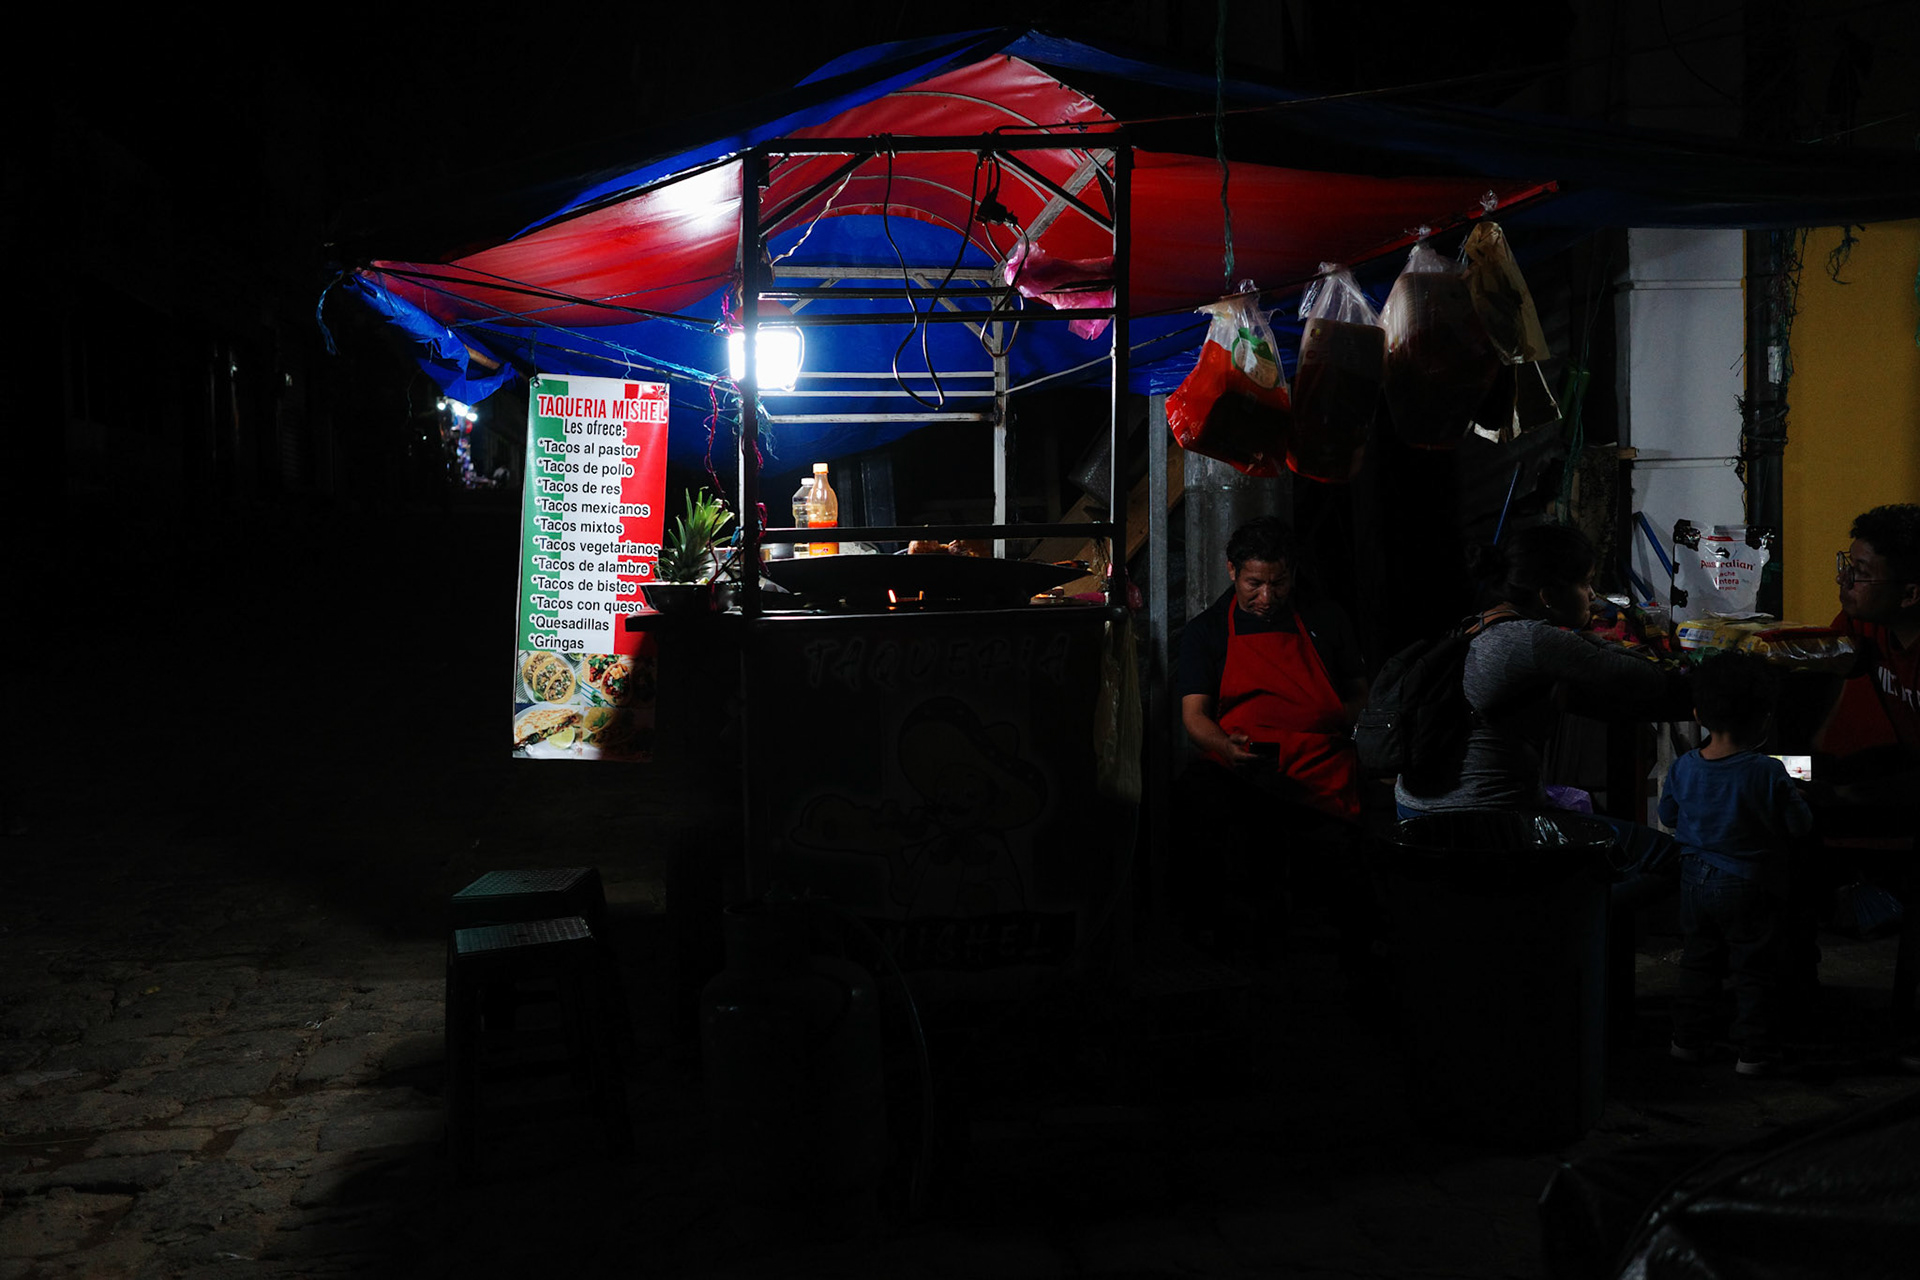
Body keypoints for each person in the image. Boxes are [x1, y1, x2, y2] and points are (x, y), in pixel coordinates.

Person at [1394, 522, 1679, 821]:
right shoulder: (1534, 640)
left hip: (1413, 808)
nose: (1593, 595)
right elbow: (1649, 677)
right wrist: (1589, 639)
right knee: (1654, 847)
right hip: (1480, 819)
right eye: (1585, 584)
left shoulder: (1476, 623)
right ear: (1548, 596)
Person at [1660, 652, 1813, 1076]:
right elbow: (1800, 827)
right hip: (1747, 883)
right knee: (1753, 968)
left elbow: (1668, 816)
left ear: (1698, 714)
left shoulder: (1684, 767)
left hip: (1693, 880)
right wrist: (1796, 798)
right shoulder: (1767, 772)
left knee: (1698, 960)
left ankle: (1687, 1042)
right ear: (1764, 719)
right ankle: (1754, 1052)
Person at [1177, 516, 1369, 823]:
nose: (1266, 598)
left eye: (1278, 584)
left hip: (1321, 768)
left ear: (1292, 573)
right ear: (1232, 571)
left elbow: (1362, 697)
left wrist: (1331, 713)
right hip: (1243, 771)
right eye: (1254, 584)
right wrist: (1224, 747)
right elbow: (1194, 715)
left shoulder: (1327, 617)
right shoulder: (1206, 630)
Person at [1816, 503, 1920, 791]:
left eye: (1859, 572)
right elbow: (1819, 667)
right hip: (1907, 764)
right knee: (1798, 771)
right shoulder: (1863, 623)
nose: (1842, 579)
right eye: (1847, 565)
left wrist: (1849, 796)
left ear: (1910, 594)